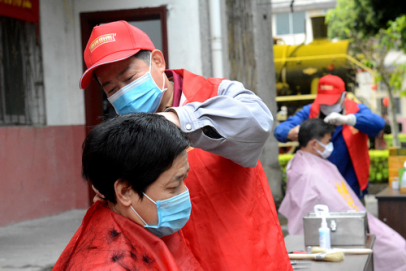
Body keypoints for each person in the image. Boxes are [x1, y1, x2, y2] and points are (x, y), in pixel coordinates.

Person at [77, 21, 291, 270]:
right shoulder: (124, 140)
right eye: (111, 88)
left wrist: (175, 120)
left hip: (244, 256)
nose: (123, 94)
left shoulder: (217, 93)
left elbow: (259, 122)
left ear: (157, 61)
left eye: (129, 77)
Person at [55, 113, 202, 269]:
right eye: (173, 187)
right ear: (125, 192)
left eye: (184, 179)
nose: (184, 193)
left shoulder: (152, 228)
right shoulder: (107, 265)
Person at [279, 118, 406, 271]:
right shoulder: (308, 174)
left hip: (355, 220)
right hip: (344, 228)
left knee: (397, 246)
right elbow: (305, 214)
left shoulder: (309, 165)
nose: (329, 146)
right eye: (327, 141)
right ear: (314, 144)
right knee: (397, 249)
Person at [274, 75, 385, 198]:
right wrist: (288, 133)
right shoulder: (310, 111)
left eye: (332, 100)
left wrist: (349, 119)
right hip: (318, 187)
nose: (327, 104)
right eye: (324, 100)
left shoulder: (355, 109)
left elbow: (378, 124)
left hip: (351, 185)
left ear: (344, 96)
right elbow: (280, 130)